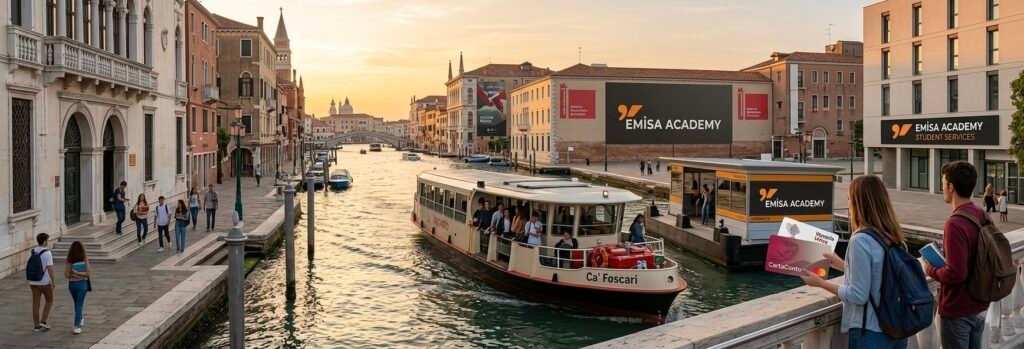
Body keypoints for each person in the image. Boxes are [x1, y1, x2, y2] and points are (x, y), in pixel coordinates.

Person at [799, 175, 909, 349]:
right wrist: (844, 265)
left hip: (870, 333)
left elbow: (858, 295)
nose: (848, 203)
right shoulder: (895, 238)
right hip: (897, 330)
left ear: (857, 204)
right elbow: (879, 274)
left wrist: (820, 283)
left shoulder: (860, 240)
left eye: (849, 198)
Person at [927, 161, 989, 349]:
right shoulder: (980, 214)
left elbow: (956, 273)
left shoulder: (954, 224)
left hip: (958, 311)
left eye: (943, 182)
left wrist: (930, 269)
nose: (942, 187)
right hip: (979, 305)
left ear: (951, 187)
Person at [27, 233, 55, 332]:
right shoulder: (47, 253)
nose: (48, 242)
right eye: (47, 240)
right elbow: (50, 269)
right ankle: (43, 320)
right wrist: (53, 281)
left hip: (33, 282)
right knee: (49, 300)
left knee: (36, 304)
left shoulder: (32, 251)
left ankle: (36, 325)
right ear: (44, 241)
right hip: (44, 282)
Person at [64, 241, 91, 335]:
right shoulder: (85, 259)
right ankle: (77, 325)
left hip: (72, 285)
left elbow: (66, 275)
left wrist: (73, 273)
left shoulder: (69, 260)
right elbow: (88, 273)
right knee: (78, 304)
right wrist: (79, 273)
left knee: (77, 304)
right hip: (82, 284)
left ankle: (79, 321)